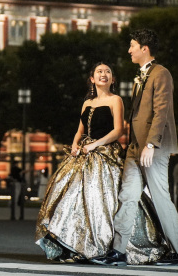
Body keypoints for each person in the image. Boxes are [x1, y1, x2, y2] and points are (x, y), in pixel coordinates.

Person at [35, 62, 168, 265]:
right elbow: (80, 130)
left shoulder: (116, 100)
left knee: (101, 198)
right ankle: (76, 245)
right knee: (71, 197)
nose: (103, 74)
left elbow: (118, 131)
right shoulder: (87, 102)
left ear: (112, 79)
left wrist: (94, 145)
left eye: (107, 72)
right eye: (99, 72)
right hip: (84, 153)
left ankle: (104, 245)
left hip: (106, 153)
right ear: (92, 78)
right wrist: (74, 146)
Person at [94, 29, 178, 267]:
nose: (129, 50)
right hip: (135, 146)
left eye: (132, 45)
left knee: (161, 197)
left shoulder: (161, 74)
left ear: (144, 48)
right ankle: (118, 252)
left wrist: (151, 143)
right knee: (127, 196)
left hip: (153, 148)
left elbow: (161, 111)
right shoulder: (140, 76)